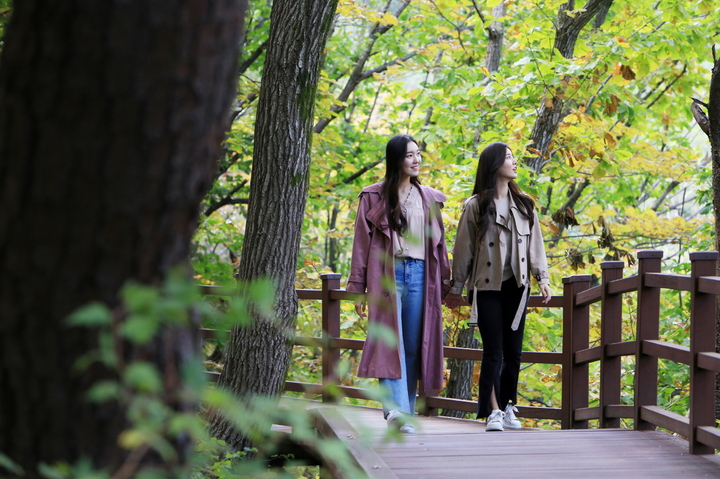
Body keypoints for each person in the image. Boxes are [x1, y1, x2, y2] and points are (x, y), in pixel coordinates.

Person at [346, 134, 451, 434]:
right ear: (396, 160)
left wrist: (447, 284)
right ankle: (395, 412)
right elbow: (361, 245)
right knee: (389, 343)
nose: (416, 160)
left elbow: (440, 245)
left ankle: (405, 411)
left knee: (415, 345)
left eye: (419, 154)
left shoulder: (430, 197)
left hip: (421, 275)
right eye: (409, 155)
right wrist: (358, 288)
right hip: (387, 275)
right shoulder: (374, 196)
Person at [445, 142, 551, 432]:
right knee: (493, 351)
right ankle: (492, 411)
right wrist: (456, 287)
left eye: (514, 157)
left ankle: (508, 407)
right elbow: (463, 249)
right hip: (486, 286)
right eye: (508, 157)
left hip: (518, 286)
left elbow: (536, 246)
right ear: (494, 165)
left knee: (514, 352)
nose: (514, 162)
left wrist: (542, 278)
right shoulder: (476, 205)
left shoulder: (525, 205)